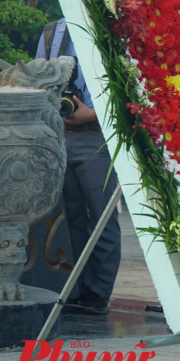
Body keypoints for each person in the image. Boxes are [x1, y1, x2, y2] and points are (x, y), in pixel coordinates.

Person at [36, 19, 121, 315]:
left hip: (96, 136)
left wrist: (93, 114)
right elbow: (38, 79)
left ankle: (99, 293)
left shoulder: (108, 23)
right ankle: (77, 288)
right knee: (69, 217)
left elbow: (127, 87)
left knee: (101, 216)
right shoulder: (51, 32)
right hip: (60, 137)